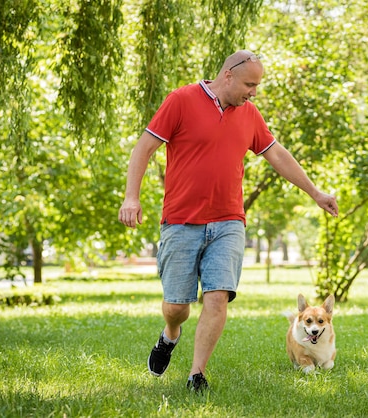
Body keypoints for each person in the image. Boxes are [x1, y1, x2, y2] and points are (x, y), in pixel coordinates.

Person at [118, 50, 338, 392]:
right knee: (176, 306)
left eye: (257, 85)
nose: (254, 92)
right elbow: (143, 147)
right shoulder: (181, 100)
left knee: (217, 296)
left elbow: (277, 154)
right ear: (228, 76)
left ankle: (197, 374)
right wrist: (132, 196)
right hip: (181, 221)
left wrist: (315, 193)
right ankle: (170, 334)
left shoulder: (249, 114)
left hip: (229, 222)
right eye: (250, 84)